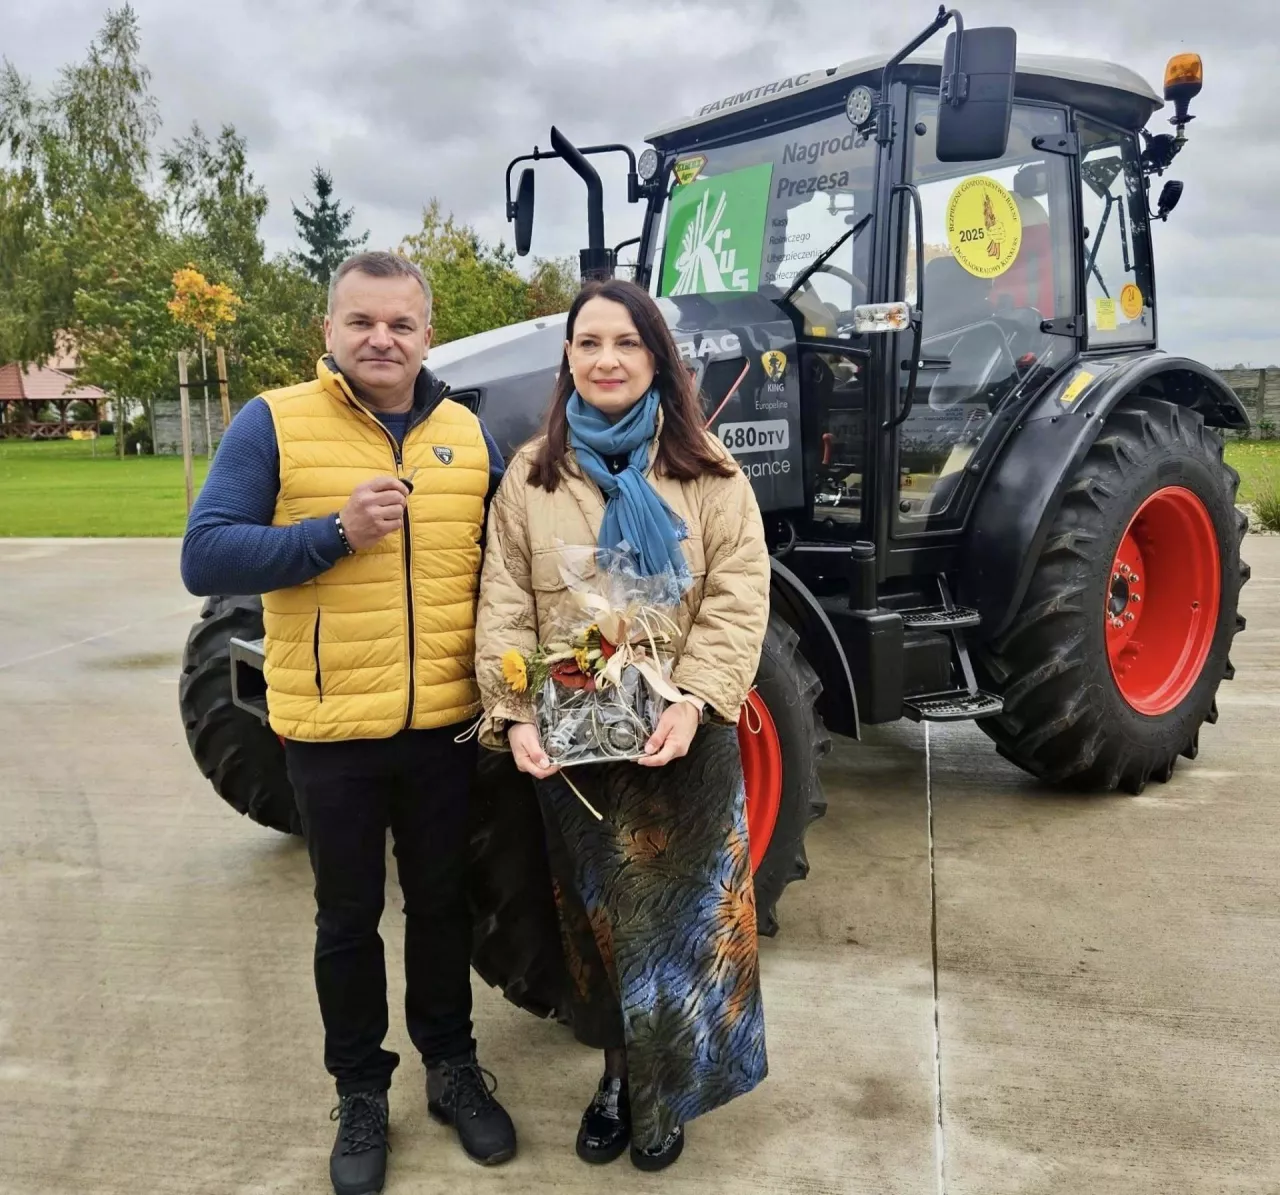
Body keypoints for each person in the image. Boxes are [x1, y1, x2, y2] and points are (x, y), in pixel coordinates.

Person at [180, 250, 517, 1195]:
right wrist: (332, 533)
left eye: (401, 324)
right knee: (348, 916)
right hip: (332, 730)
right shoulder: (274, 422)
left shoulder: (464, 432)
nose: (382, 339)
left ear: (427, 332)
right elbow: (204, 555)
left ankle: (452, 1068)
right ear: (328, 331)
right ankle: (362, 1091)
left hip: (445, 724)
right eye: (362, 322)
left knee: (445, 904)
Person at [473, 277, 771, 1172]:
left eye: (626, 343)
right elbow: (505, 606)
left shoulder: (710, 474)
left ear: (655, 359)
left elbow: (737, 595)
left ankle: (666, 1093)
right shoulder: (531, 477)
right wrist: (512, 712)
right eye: (589, 342)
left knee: (679, 929)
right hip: (574, 747)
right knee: (596, 927)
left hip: (682, 735)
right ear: (567, 359)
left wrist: (692, 699)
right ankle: (615, 1075)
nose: (606, 358)